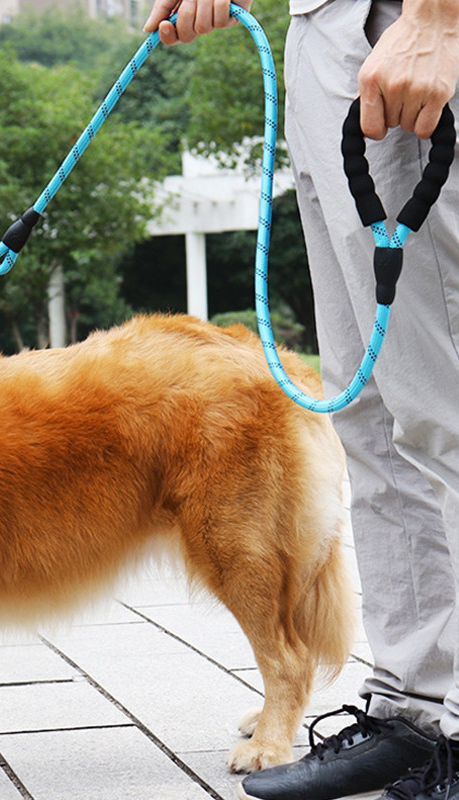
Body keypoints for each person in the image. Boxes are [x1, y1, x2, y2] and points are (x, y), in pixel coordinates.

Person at [142, 0, 459, 798]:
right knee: (370, 416)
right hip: (323, 29)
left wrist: (439, 18)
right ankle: (415, 712)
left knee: (443, 411)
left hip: (402, 26)